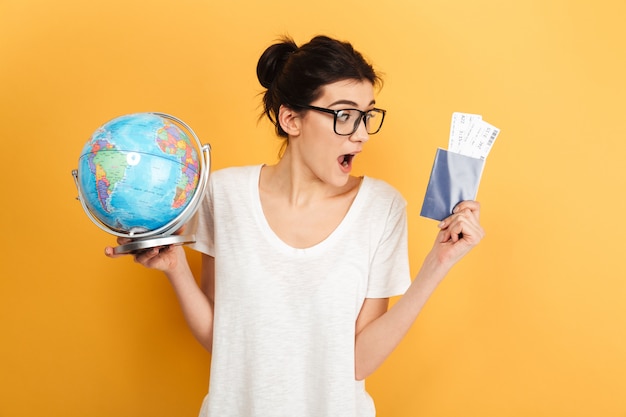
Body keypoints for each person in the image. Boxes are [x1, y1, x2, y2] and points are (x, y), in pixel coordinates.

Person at [106, 35, 484, 417]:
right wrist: (176, 269)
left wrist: (438, 264)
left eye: (367, 115)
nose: (362, 134)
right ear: (291, 119)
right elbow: (225, 342)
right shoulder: (223, 195)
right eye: (344, 115)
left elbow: (358, 362)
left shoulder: (381, 208)